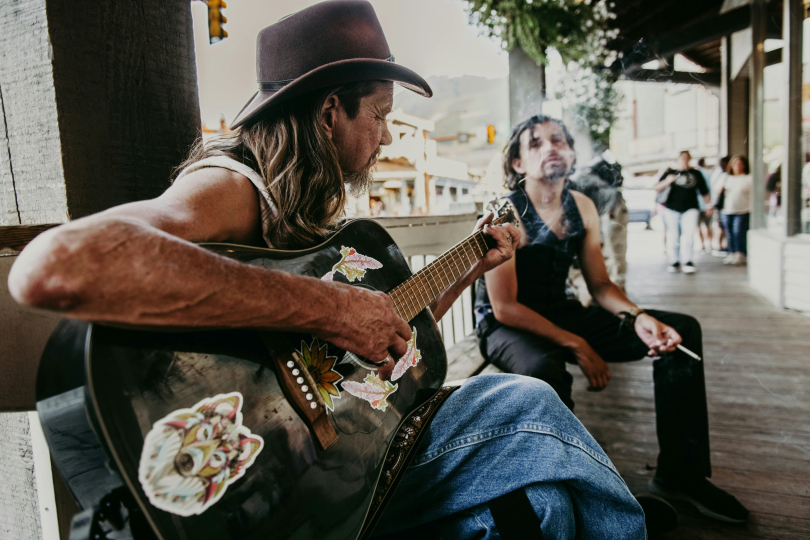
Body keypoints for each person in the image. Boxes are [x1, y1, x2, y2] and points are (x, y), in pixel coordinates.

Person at [8, 2, 650, 538]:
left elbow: (383, 351)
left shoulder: (307, 210)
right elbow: (56, 265)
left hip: (352, 455)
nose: (388, 137)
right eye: (379, 115)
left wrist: (467, 266)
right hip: (284, 480)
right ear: (327, 113)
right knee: (525, 404)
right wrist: (335, 309)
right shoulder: (231, 186)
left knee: (546, 507)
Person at [473, 114, 750, 525]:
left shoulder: (580, 205)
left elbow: (600, 285)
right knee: (544, 370)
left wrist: (638, 317)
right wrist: (578, 344)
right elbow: (505, 307)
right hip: (507, 324)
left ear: (571, 153)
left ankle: (680, 474)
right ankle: (573, 497)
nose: (550, 147)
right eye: (535, 143)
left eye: (559, 140)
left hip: (561, 311)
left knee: (680, 332)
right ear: (517, 163)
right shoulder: (504, 209)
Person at [654, 151, 712, 274]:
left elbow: (704, 191)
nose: (684, 160)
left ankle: (688, 260)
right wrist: (668, 181)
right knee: (674, 236)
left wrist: (709, 205)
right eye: (682, 158)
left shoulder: (696, 173)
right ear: (677, 159)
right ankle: (675, 261)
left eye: (686, 158)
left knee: (689, 235)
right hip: (671, 209)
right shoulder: (670, 173)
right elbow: (656, 187)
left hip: (691, 208)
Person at [717, 155, 752, 266]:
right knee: (730, 233)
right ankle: (732, 253)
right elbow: (717, 191)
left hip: (743, 209)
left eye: (740, 163)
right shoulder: (725, 177)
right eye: (735, 163)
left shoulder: (748, 178)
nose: (738, 166)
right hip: (727, 209)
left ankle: (739, 253)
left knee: (738, 232)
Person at [709, 156, 730, 256]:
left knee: (720, 226)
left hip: (720, 204)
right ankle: (719, 246)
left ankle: (720, 246)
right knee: (720, 226)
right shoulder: (722, 175)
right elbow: (717, 190)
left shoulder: (718, 173)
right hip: (721, 204)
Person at [695, 158, 714, 253]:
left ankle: (702, 244)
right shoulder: (710, 173)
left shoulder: (695, 173)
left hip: (696, 203)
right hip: (707, 202)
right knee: (707, 225)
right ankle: (709, 244)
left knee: (698, 226)